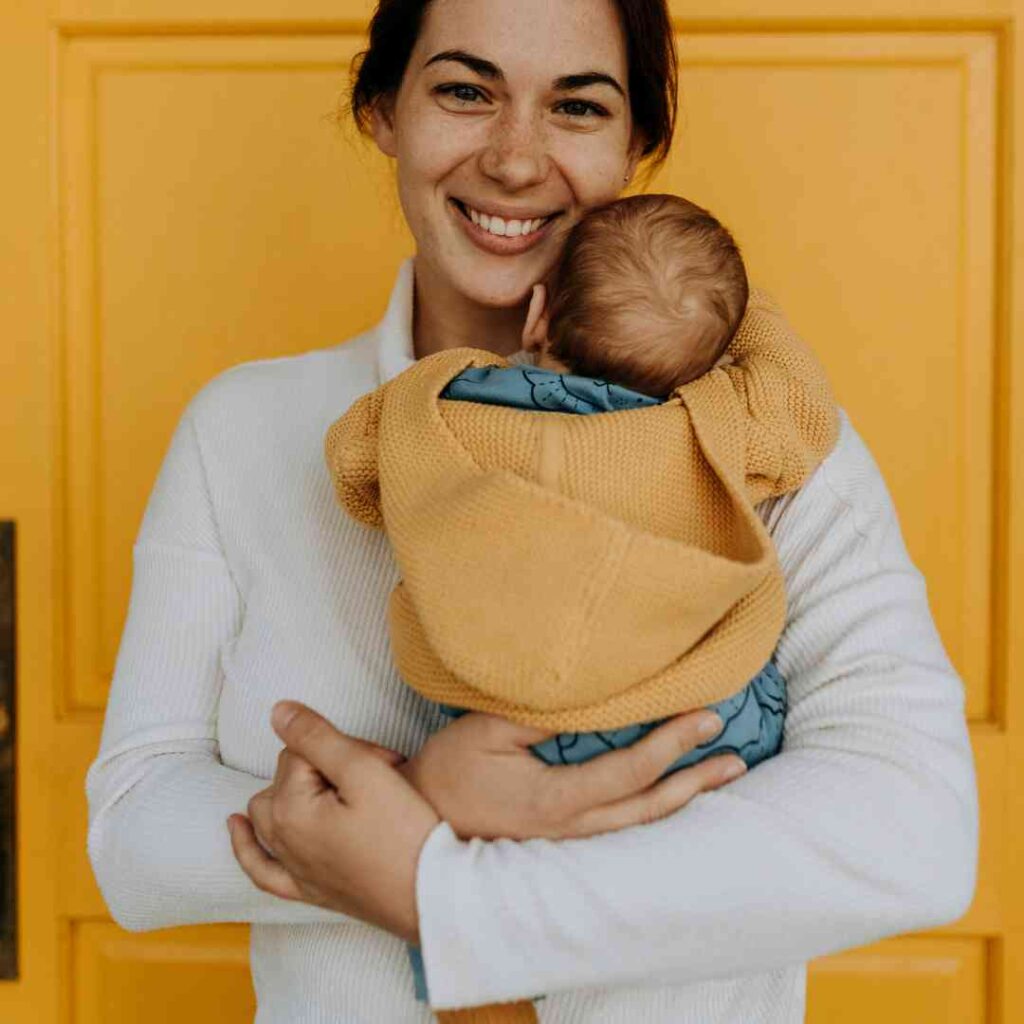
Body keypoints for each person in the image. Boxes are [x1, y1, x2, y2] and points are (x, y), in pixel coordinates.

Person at [83, 0, 979, 1022]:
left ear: (638, 140)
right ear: (381, 110)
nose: (514, 160)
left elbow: (915, 832)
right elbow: (132, 834)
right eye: (464, 91)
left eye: (578, 106)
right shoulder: (244, 429)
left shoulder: (762, 440)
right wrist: (435, 798)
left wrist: (441, 873)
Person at [323, 189, 838, 1019]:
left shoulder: (444, 410)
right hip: (699, 724)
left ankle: (479, 977)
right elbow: (807, 411)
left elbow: (351, 469)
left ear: (536, 315)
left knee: (455, 880)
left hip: (507, 730)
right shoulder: (719, 426)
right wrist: (739, 312)